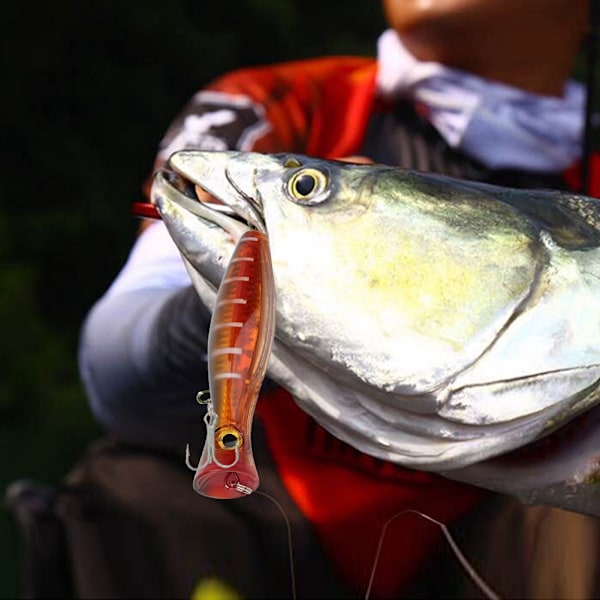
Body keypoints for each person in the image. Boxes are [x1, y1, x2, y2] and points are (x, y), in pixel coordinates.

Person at [73, 1, 600, 598]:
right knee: (139, 493)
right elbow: (115, 377)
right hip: (262, 521)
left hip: (499, 550)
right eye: (308, 188)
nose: (298, 190)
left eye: (307, 188)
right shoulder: (276, 105)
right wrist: (239, 308)